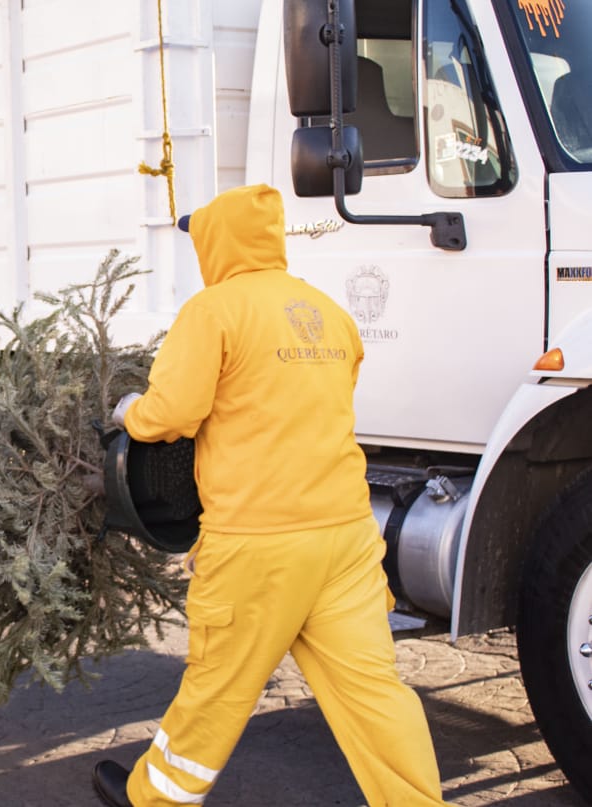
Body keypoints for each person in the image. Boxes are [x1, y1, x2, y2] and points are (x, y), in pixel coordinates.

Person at [92, 185, 450, 806]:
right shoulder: (329, 313)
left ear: (215, 242)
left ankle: (153, 799)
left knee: (218, 688)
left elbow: (173, 413)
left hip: (258, 547)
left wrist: (133, 412)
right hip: (345, 539)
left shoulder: (215, 311)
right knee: (375, 694)